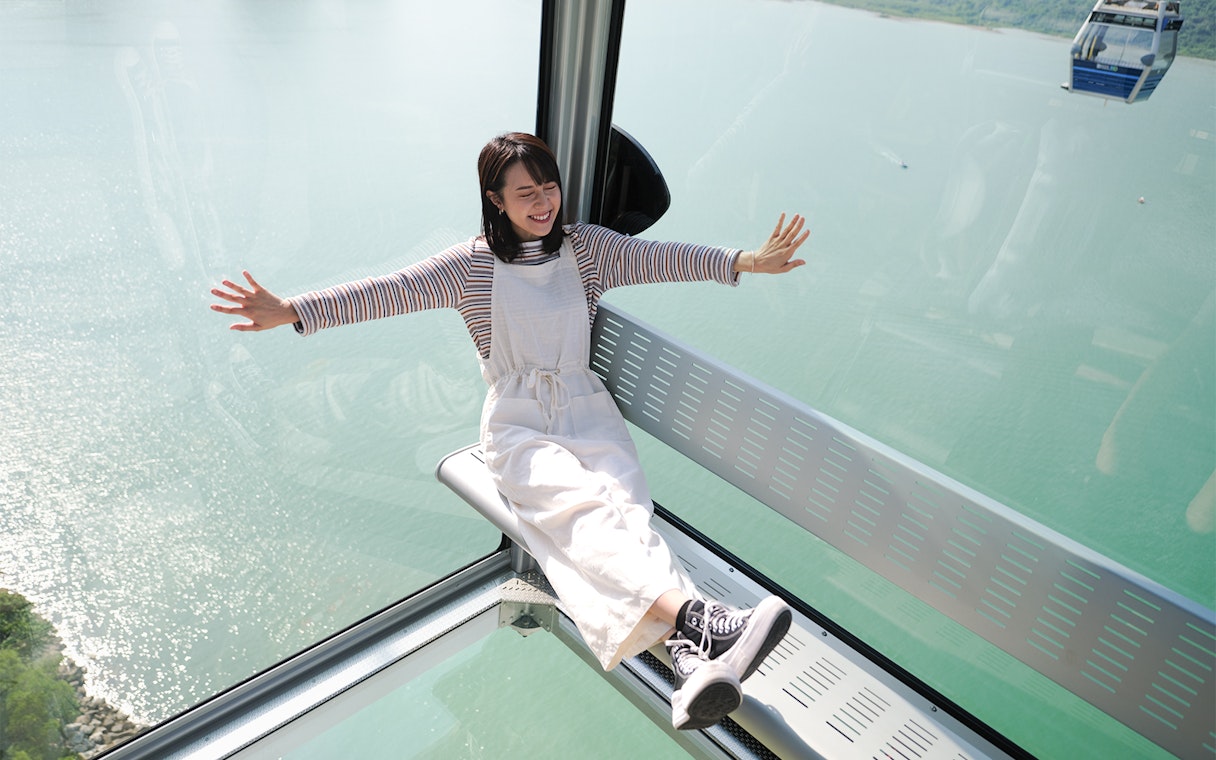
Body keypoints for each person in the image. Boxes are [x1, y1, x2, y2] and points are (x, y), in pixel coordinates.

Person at [211, 132, 809, 731]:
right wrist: (291, 310)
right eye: (526, 193)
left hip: (588, 413)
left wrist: (747, 261)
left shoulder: (587, 250)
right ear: (495, 199)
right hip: (519, 425)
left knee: (626, 518)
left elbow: (665, 258)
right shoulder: (469, 266)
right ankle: (701, 622)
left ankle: (690, 662)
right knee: (584, 515)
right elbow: (388, 291)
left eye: (549, 187)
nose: (543, 203)